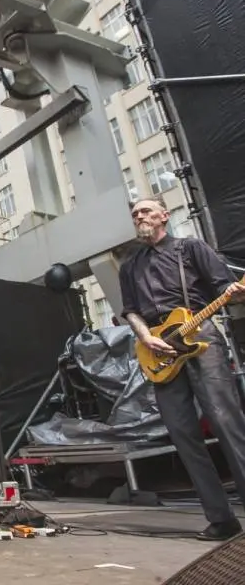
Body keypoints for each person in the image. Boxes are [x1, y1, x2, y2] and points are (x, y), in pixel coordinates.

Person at [119, 196, 245, 541]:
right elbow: (130, 310)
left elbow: (224, 288)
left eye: (146, 211)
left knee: (227, 421)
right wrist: (145, 337)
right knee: (183, 434)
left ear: (164, 215)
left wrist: (235, 292)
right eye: (135, 214)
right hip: (159, 346)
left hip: (200, 334)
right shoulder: (130, 265)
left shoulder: (190, 248)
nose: (139, 216)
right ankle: (221, 519)